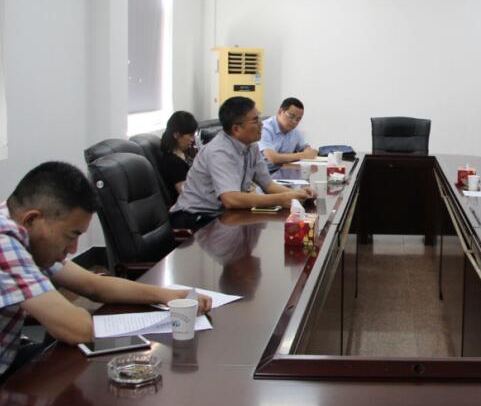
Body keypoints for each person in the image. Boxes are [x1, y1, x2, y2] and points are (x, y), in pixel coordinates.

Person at [0, 162, 211, 381]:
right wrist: (68, 314)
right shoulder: (4, 242)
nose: (72, 249)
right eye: (70, 236)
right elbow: (77, 329)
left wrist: (168, 295)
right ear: (32, 219)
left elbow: (93, 285)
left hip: (12, 351)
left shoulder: (19, 223)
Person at [170, 96, 315, 231]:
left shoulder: (251, 146)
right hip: (194, 217)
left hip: (223, 213)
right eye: (255, 121)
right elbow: (231, 199)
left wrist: (297, 194)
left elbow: (268, 185)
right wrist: (280, 199)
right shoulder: (219, 151)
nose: (262, 124)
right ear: (236, 129)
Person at [259, 97, 318, 172]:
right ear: (280, 112)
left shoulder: (294, 131)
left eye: (298, 119)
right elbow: (273, 158)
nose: (294, 122)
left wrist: (308, 152)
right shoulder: (264, 129)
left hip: (284, 171)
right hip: (264, 174)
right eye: (291, 116)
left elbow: (306, 148)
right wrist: (303, 155)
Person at [160, 110, 198, 200]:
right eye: (190, 135)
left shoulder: (181, 154)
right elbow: (186, 195)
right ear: (176, 135)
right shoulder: (173, 162)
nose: (192, 139)